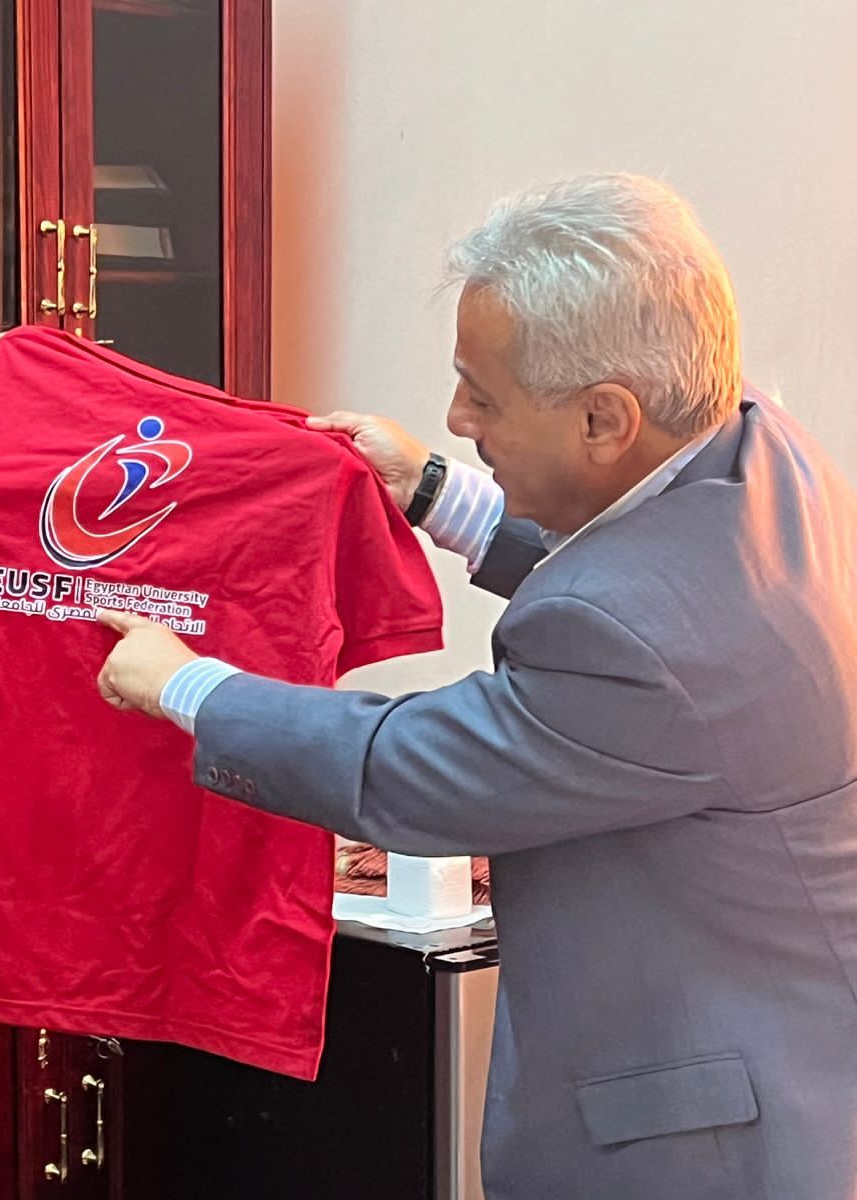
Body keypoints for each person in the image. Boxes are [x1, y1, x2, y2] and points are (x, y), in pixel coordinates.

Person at [94, 173, 857, 1199]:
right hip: (796, 1055)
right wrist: (433, 495)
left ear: (604, 417)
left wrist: (191, 688)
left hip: (697, 1147)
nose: (457, 419)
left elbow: (413, 771)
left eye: (483, 398)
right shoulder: (756, 448)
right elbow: (633, 569)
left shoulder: (636, 639)